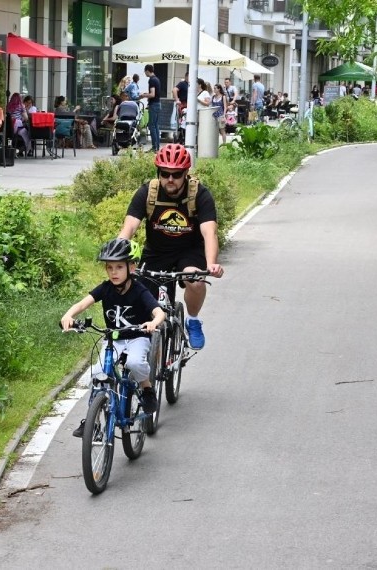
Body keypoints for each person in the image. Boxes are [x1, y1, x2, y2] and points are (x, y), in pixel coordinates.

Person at [117, 144, 224, 351]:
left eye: (176, 174)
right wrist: (118, 255)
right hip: (156, 252)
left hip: (189, 252)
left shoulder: (199, 195)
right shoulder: (148, 192)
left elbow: (209, 232)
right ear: (159, 172)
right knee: (140, 303)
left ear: (186, 173)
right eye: (165, 174)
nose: (170, 179)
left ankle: (192, 320)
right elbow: (129, 227)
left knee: (196, 281)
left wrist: (211, 264)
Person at [61, 238, 164, 437]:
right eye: (109, 267)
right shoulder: (105, 288)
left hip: (137, 337)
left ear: (131, 267)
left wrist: (153, 322)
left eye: (119, 267)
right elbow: (83, 304)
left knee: (134, 362)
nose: (113, 272)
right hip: (113, 339)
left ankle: (146, 387)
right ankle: (93, 422)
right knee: (98, 372)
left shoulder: (139, 290)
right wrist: (68, 315)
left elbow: (159, 312)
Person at [140, 64, 162, 152]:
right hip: (158, 104)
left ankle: (154, 147)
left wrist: (143, 95)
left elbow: (152, 94)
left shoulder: (152, 80)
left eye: (145, 71)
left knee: (151, 126)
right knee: (156, 126)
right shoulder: (157, 79)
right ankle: (157, 146)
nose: (145, 73)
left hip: (153, 105)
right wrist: (147, 94)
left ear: (147, 71)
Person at [7, 92, 31, 156]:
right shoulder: (21, 106)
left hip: (9, 127)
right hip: (17, 126)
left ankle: (19, 150)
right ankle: (27, 150)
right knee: (27, 134)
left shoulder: (8, 105)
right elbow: (26, 118)